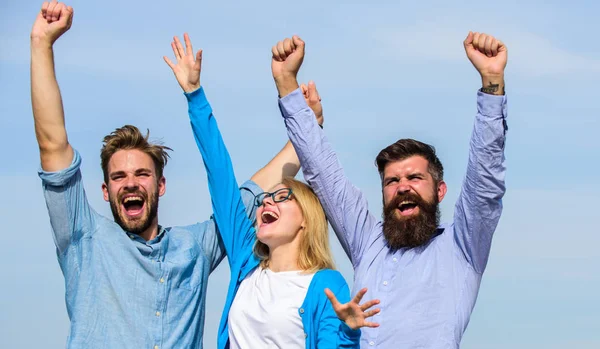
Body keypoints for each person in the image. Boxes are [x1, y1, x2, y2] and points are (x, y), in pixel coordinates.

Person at [31, 2, 295, 347]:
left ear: (161, 184)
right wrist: (41, 43)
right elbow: (53, 146)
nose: (130, 183)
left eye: (142, 174)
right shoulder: (85, 239)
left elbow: (244, 197)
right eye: (118, 177)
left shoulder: (192, 248)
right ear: (106, 191)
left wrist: (306, 132)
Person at [271, 32, 508, 348]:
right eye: (392, 181)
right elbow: (324, 175)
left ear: (440, 191)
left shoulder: (463, 246)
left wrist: (492, 84)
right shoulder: (369, 243)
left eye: (415, 178)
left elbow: (485, 182)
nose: (403, 187)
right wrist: (287, 83)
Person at [163, 33, 380, 348]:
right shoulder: (245, 262)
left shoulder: (326, 284)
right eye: (266, 197)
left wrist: (348, 334)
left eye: (283, 196)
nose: (267, 201)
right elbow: (220, 177)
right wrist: (195, 95)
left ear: (307, 217)